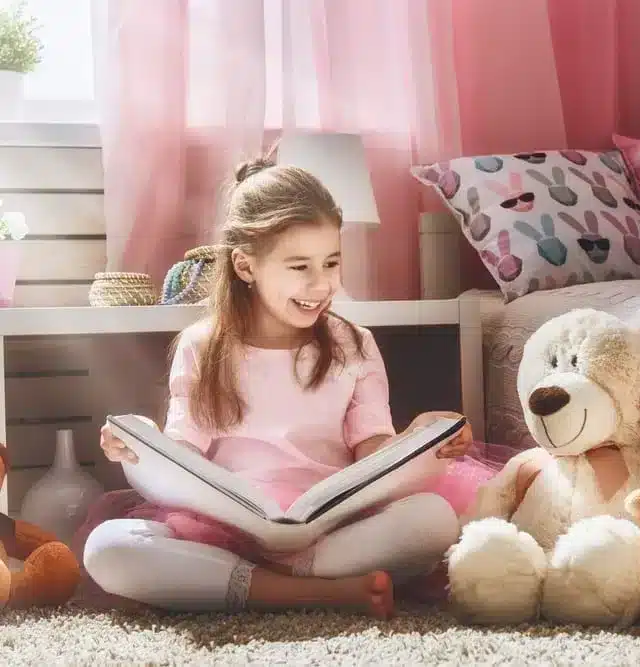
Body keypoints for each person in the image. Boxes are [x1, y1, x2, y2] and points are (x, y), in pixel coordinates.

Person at [79, 154, 499, 619]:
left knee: (432, 520)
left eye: (332, 263)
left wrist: (420, 437)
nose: (321, 285)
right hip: (225, 529)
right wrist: (142, 441)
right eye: (300, 267)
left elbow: (373, 449)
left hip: (330, 528)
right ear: (245, 266)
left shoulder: (353, 344)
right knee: (108, 548)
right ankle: (312, 592)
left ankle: (261, 581)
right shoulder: (202, 346)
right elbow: (183, 453)